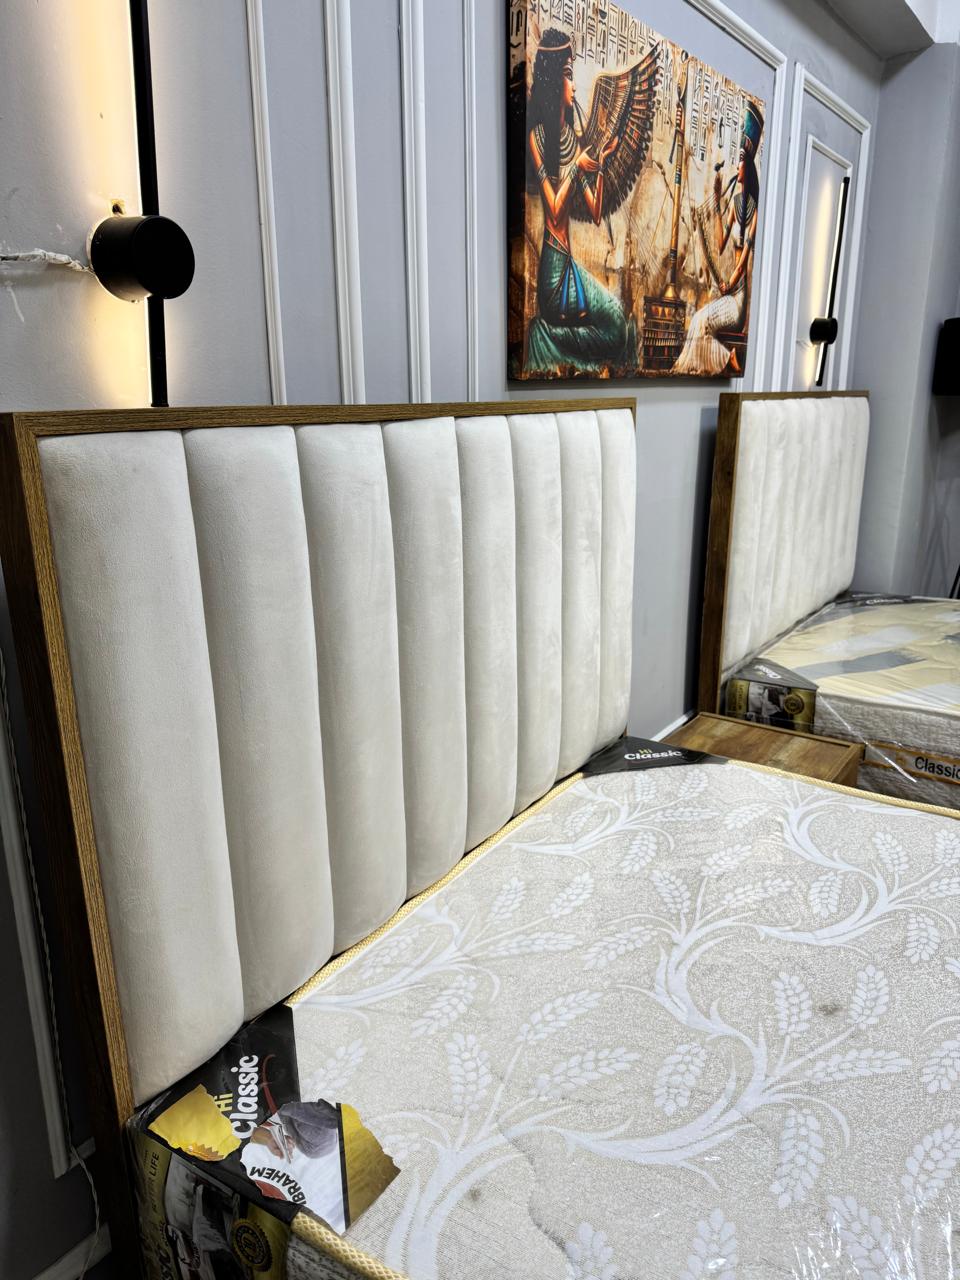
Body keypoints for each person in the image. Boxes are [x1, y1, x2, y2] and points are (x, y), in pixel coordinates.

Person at [524, 28, 638, 376]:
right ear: (552, 80)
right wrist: (577, 167)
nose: (574, 86)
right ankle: (545, 337)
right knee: (616, 326)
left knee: (619, 323)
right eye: (568, 75)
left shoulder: (571, 140)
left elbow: (595, 209)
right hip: (554, 275)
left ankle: (557, 345)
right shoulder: (537, 138)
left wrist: (599, 163)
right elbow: (555, 208)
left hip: (569, 266)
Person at [674, 100, 763, 377]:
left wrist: (729, 284)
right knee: (697, 320)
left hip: (738, 300)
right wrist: (715, 198)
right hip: (728, 292)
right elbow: (722, 241)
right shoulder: (735, 204)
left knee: (702, 322)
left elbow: (742, 262)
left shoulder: (755, 213)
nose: (736, 166)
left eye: (740, 161)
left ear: (748, 165)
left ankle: (728, 359)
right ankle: (720, 361)